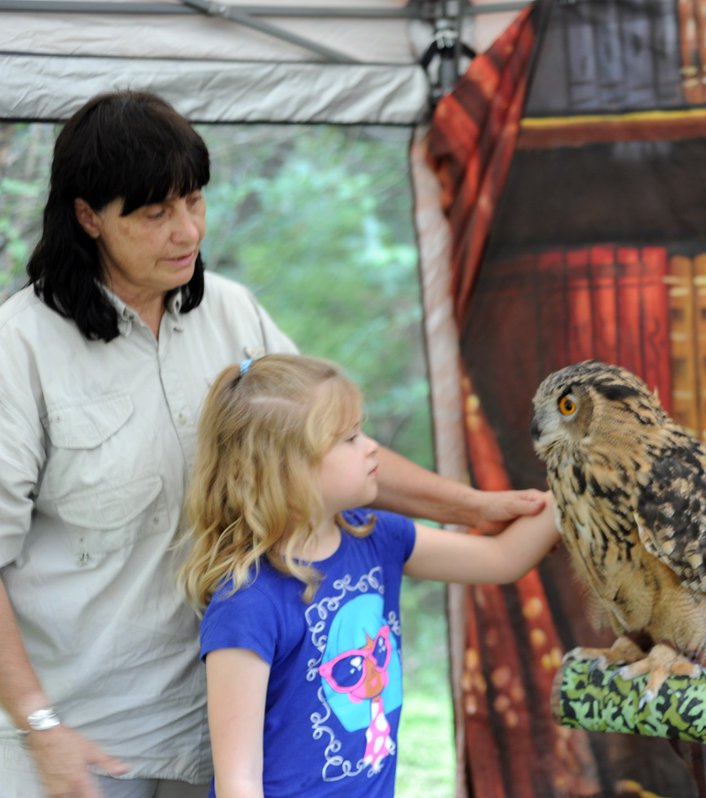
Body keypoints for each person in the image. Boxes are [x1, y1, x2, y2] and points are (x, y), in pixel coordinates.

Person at [0, 90, 545, 798]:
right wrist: (41, 726)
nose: (187, 230)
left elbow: (334, 449)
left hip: (231, 723)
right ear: (87, 217)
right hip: (88, 742)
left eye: (194, 201)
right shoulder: (20, 348)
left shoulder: (231, 309)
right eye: (155, 212)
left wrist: (474, 505)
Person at [178, 354, 560, 797]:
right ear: (286, 469)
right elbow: (237, 781)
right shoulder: (247, 602)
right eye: (350, 438)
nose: (372, 447)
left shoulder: (376, 537)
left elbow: (501, 558)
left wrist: (588, 487)